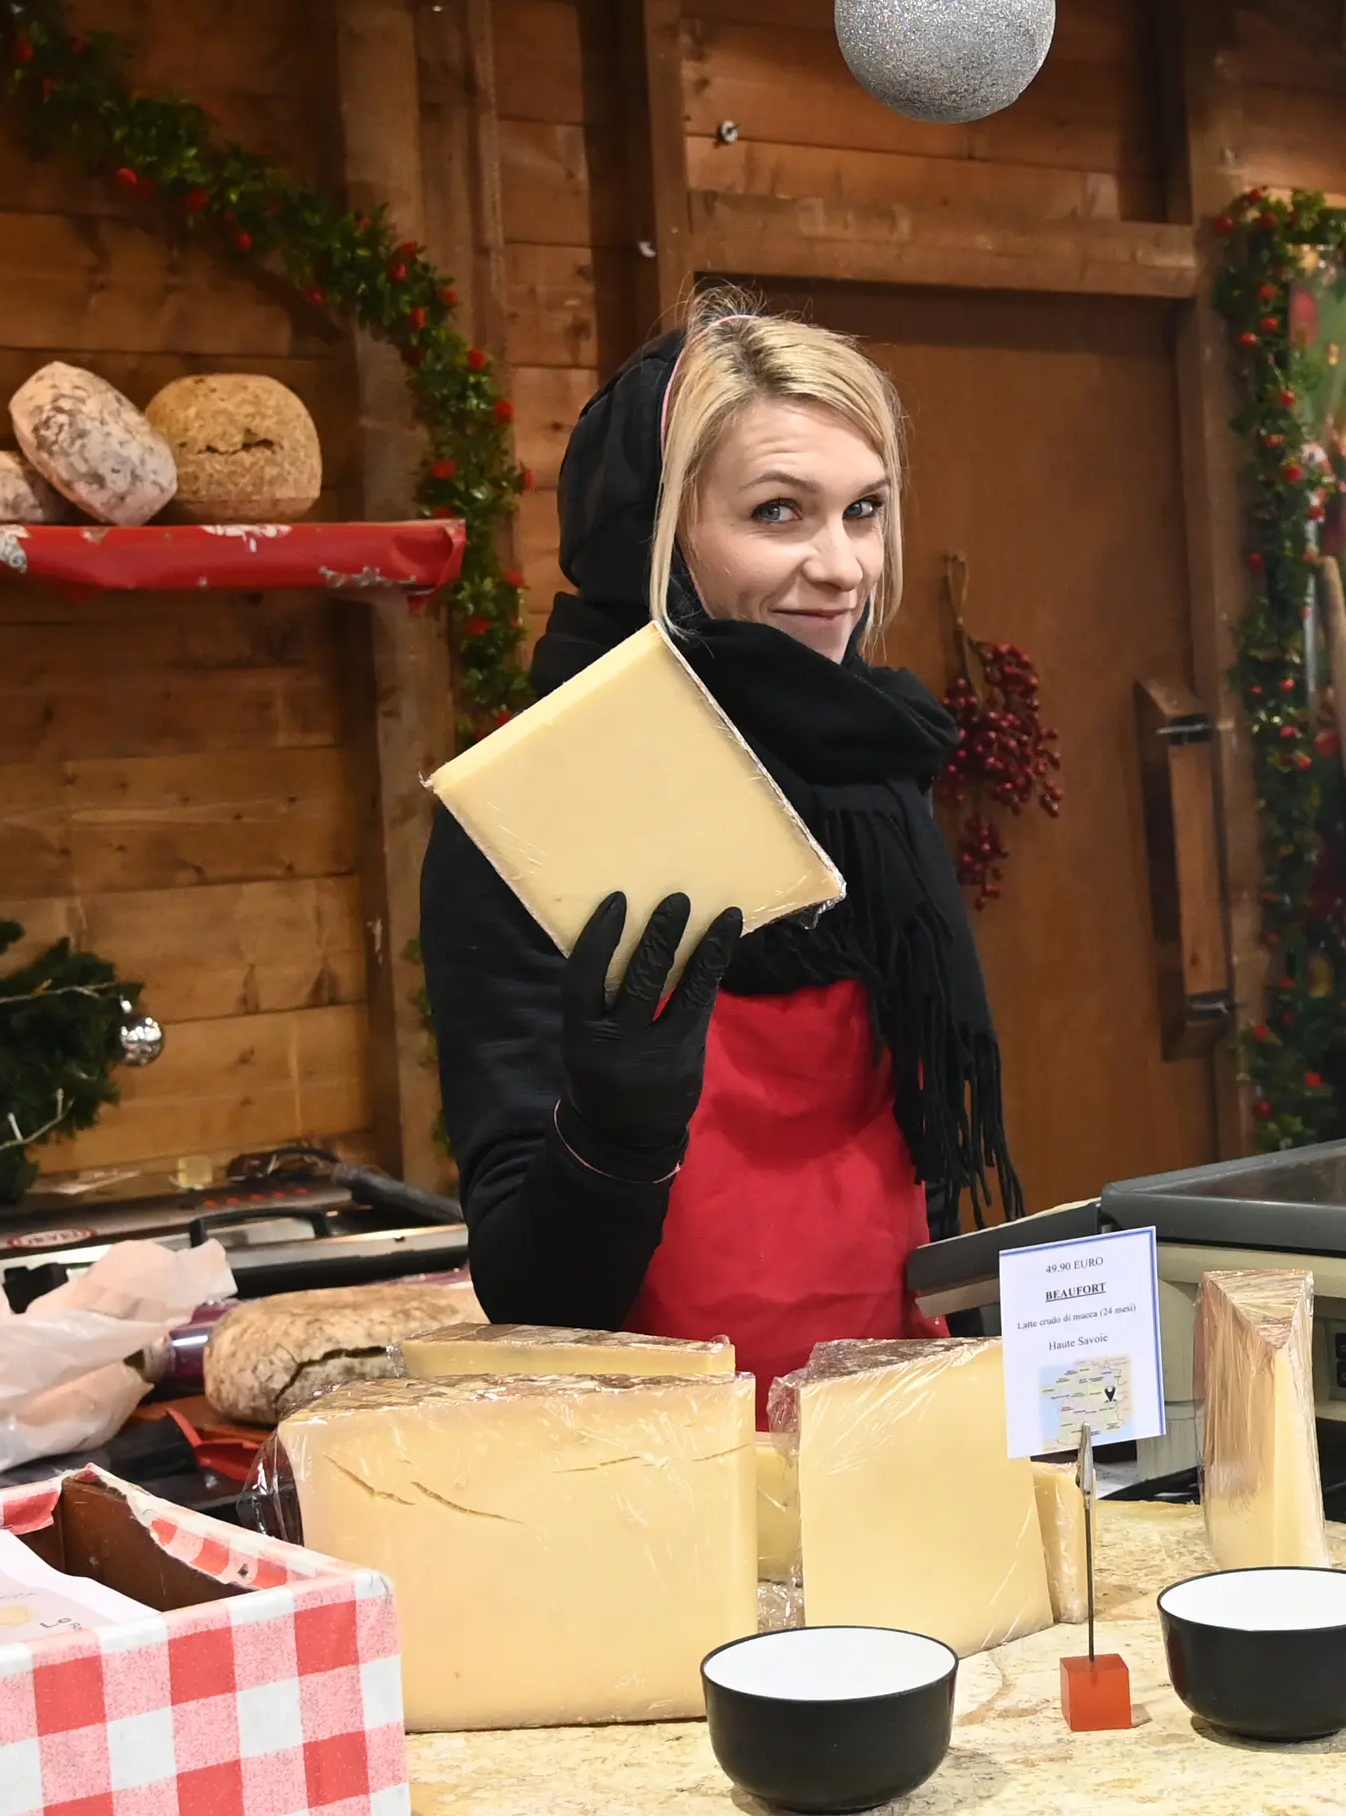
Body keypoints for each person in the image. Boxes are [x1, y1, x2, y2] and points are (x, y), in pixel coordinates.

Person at [420, 293, 1022, 1394]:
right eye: (779, 512)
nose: (843, 568)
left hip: (889, 1417)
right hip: (662, 1466)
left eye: (865, 510)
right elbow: (533, 1301)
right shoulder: (534, 811)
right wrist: (614, 1133)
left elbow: (926, 1178)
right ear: (656, 531)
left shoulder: (876, 776)